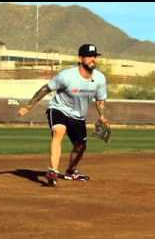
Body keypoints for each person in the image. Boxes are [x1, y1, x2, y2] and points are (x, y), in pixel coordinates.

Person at [18, 43, 108, 187]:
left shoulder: (100, 79)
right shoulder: (67, 76)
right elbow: (45, 89)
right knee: (59, 130)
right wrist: (28, 106)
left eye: (94, 56)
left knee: (80, 147)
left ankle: (71, 171)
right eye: (89, 56)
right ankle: (52, 171)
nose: (93, 59)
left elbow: (100, 100)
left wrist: (101, 115)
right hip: (59, 108)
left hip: (78, 116)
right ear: (80, 58)